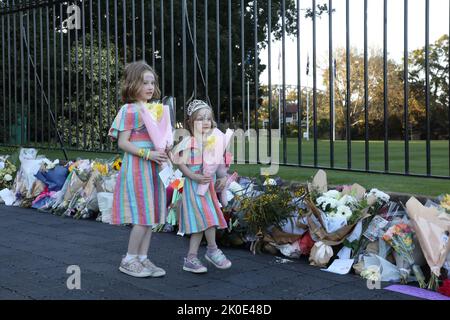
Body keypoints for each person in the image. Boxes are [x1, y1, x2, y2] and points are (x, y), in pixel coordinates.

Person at [108, 61, 168, 278]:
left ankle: (143, 258)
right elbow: (122, 143)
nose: (150, 87)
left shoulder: (157, 110)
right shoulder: (129, 110)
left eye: (152, 82)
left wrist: (165, 149)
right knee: (142, 215)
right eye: (145, 82)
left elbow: (161, 138)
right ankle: (129, 259)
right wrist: (147, 154)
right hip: (138, 167)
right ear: (133, 84)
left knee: (150, 216)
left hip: (154, 167)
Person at [170, 99, 232, 274]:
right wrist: (193, 176)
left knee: (204, 221)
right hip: (194, 187)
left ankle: (192, 257)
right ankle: (211, 250)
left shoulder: (213, 141)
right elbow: (180, 164)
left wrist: (222, 177)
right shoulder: (190, 142)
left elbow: (219, 164)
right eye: (200, 118)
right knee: (206, 219)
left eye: (208, 118)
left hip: (208, 187)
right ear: (191, 122)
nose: (205, 122)